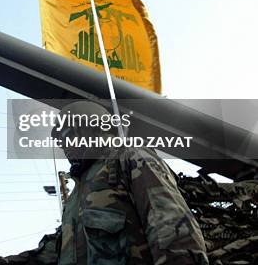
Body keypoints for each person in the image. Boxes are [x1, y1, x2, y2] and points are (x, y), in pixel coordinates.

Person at [54, 101, 208, 265]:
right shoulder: (74, 197)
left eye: (67, 135)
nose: (63, 146)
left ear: (91, 127)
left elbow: (173, 229)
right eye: (59, 142)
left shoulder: (129, 158)